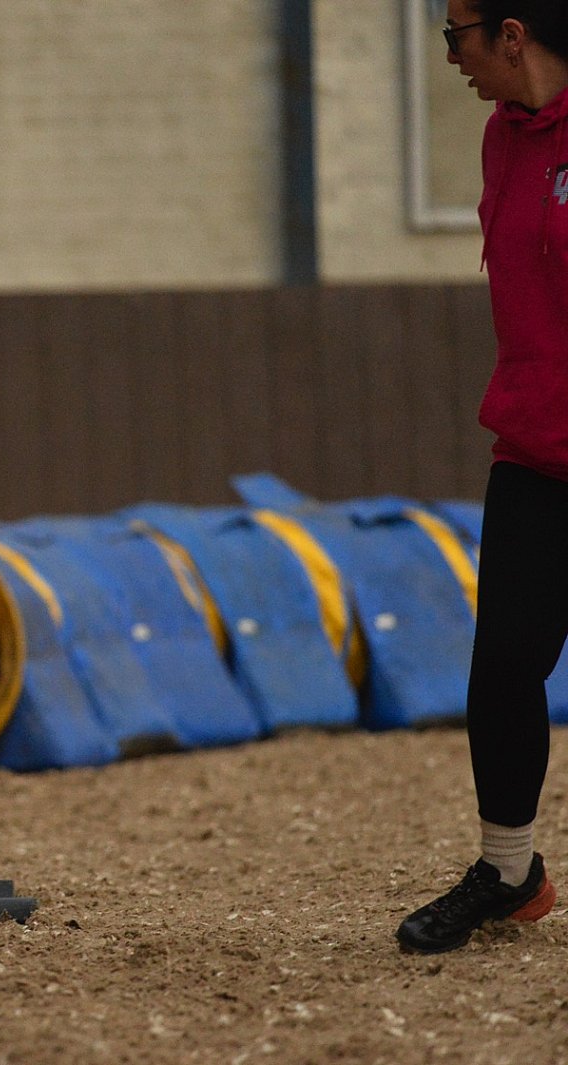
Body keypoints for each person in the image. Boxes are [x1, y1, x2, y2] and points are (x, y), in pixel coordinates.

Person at [396, 0, 568, 954]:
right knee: (503, 667)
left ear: (512, 33)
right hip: (535, 456)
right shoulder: (504, 139)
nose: (450, 54)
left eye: (456, 33)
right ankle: (510, 873)